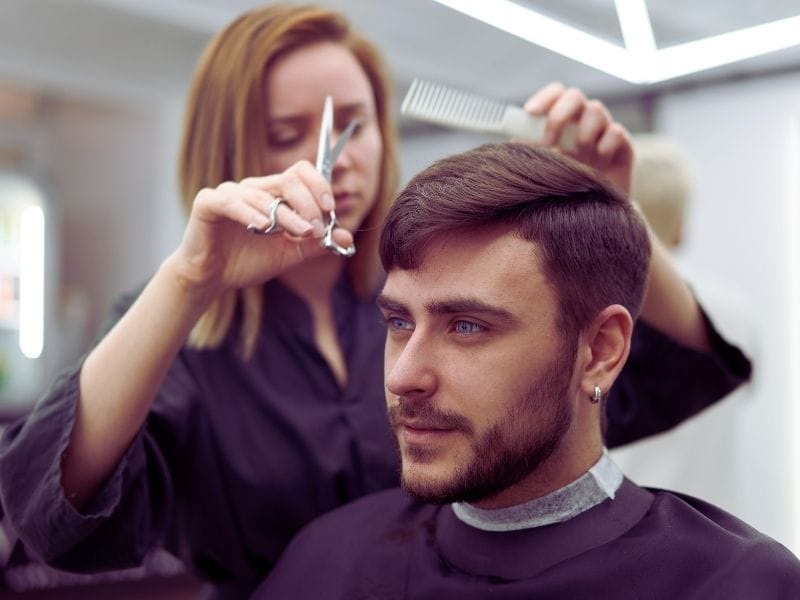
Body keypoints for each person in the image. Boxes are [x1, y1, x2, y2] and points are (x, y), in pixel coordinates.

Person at [0, 4, 750, 598]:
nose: (334, 157)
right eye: (286, 133)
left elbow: (684, 363)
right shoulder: (186, 328)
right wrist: (191, 278)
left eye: (353, 124)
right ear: (225, 152)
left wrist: (609, 211)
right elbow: (51, 514)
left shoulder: (424, 287)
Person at [255, 142, 799, 599]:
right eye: (399, 322)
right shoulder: (327, 560)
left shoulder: (735, 584)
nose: (404, 376)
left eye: (466, 326)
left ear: (600, 351)